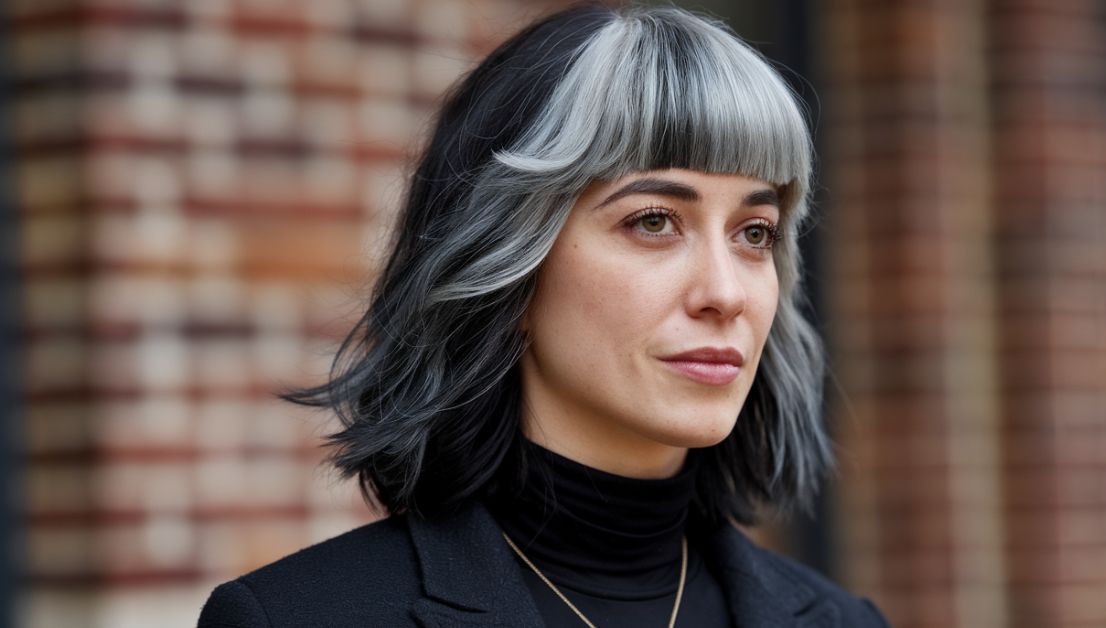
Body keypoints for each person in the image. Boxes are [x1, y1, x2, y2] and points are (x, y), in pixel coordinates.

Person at [199, 4, 889, 627]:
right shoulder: (296, 619)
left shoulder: (846, 623)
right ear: (509, 264)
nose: (727, 293)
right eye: (654, 221)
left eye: (754, 233)